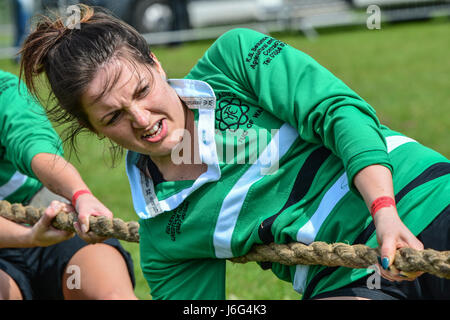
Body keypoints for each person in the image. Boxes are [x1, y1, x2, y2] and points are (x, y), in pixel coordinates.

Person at [19, 5, 449, 300]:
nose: (142, 118)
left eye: (143, 90)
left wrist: (385, 212)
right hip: (345, 278)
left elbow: (339, 112)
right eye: (113, 117)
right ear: (92, 129)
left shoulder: (235, 60)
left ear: (155, 63)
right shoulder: (163, 239)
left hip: (422, 200)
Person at [0, 69, 137, 300]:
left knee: (112, 296)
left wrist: (79, 194)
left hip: (51, 213)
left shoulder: (4, 90)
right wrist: (29, 237)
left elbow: (33, 142)